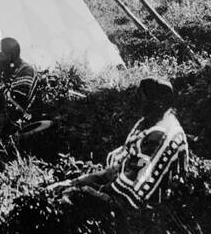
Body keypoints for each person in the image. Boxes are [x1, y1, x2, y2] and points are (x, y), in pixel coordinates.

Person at [49, 82, 188, 211]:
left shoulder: (160, 135)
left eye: (142, 98)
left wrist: (86, 190)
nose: (137, 102)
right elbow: (120, 167)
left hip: (147, 206)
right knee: (67, 188)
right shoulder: (149, 120)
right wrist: (74, 182)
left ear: (158, 103)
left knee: (72, 199)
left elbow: (131, 191)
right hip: (126, 186)